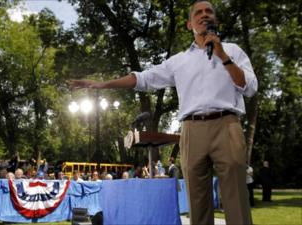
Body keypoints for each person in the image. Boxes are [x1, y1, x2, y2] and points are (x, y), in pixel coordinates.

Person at [71, 1, 257, 224]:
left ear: (214, 20)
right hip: (191, 130)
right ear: (190, 24)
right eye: (198, 12)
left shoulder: (233, 50)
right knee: (197, 204)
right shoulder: (179, 61)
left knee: (236, 198)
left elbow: (250, 87)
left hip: (226, 125)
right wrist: (103, 84)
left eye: (209, 11)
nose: (204, 15)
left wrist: (222, 55)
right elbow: (143, 79)